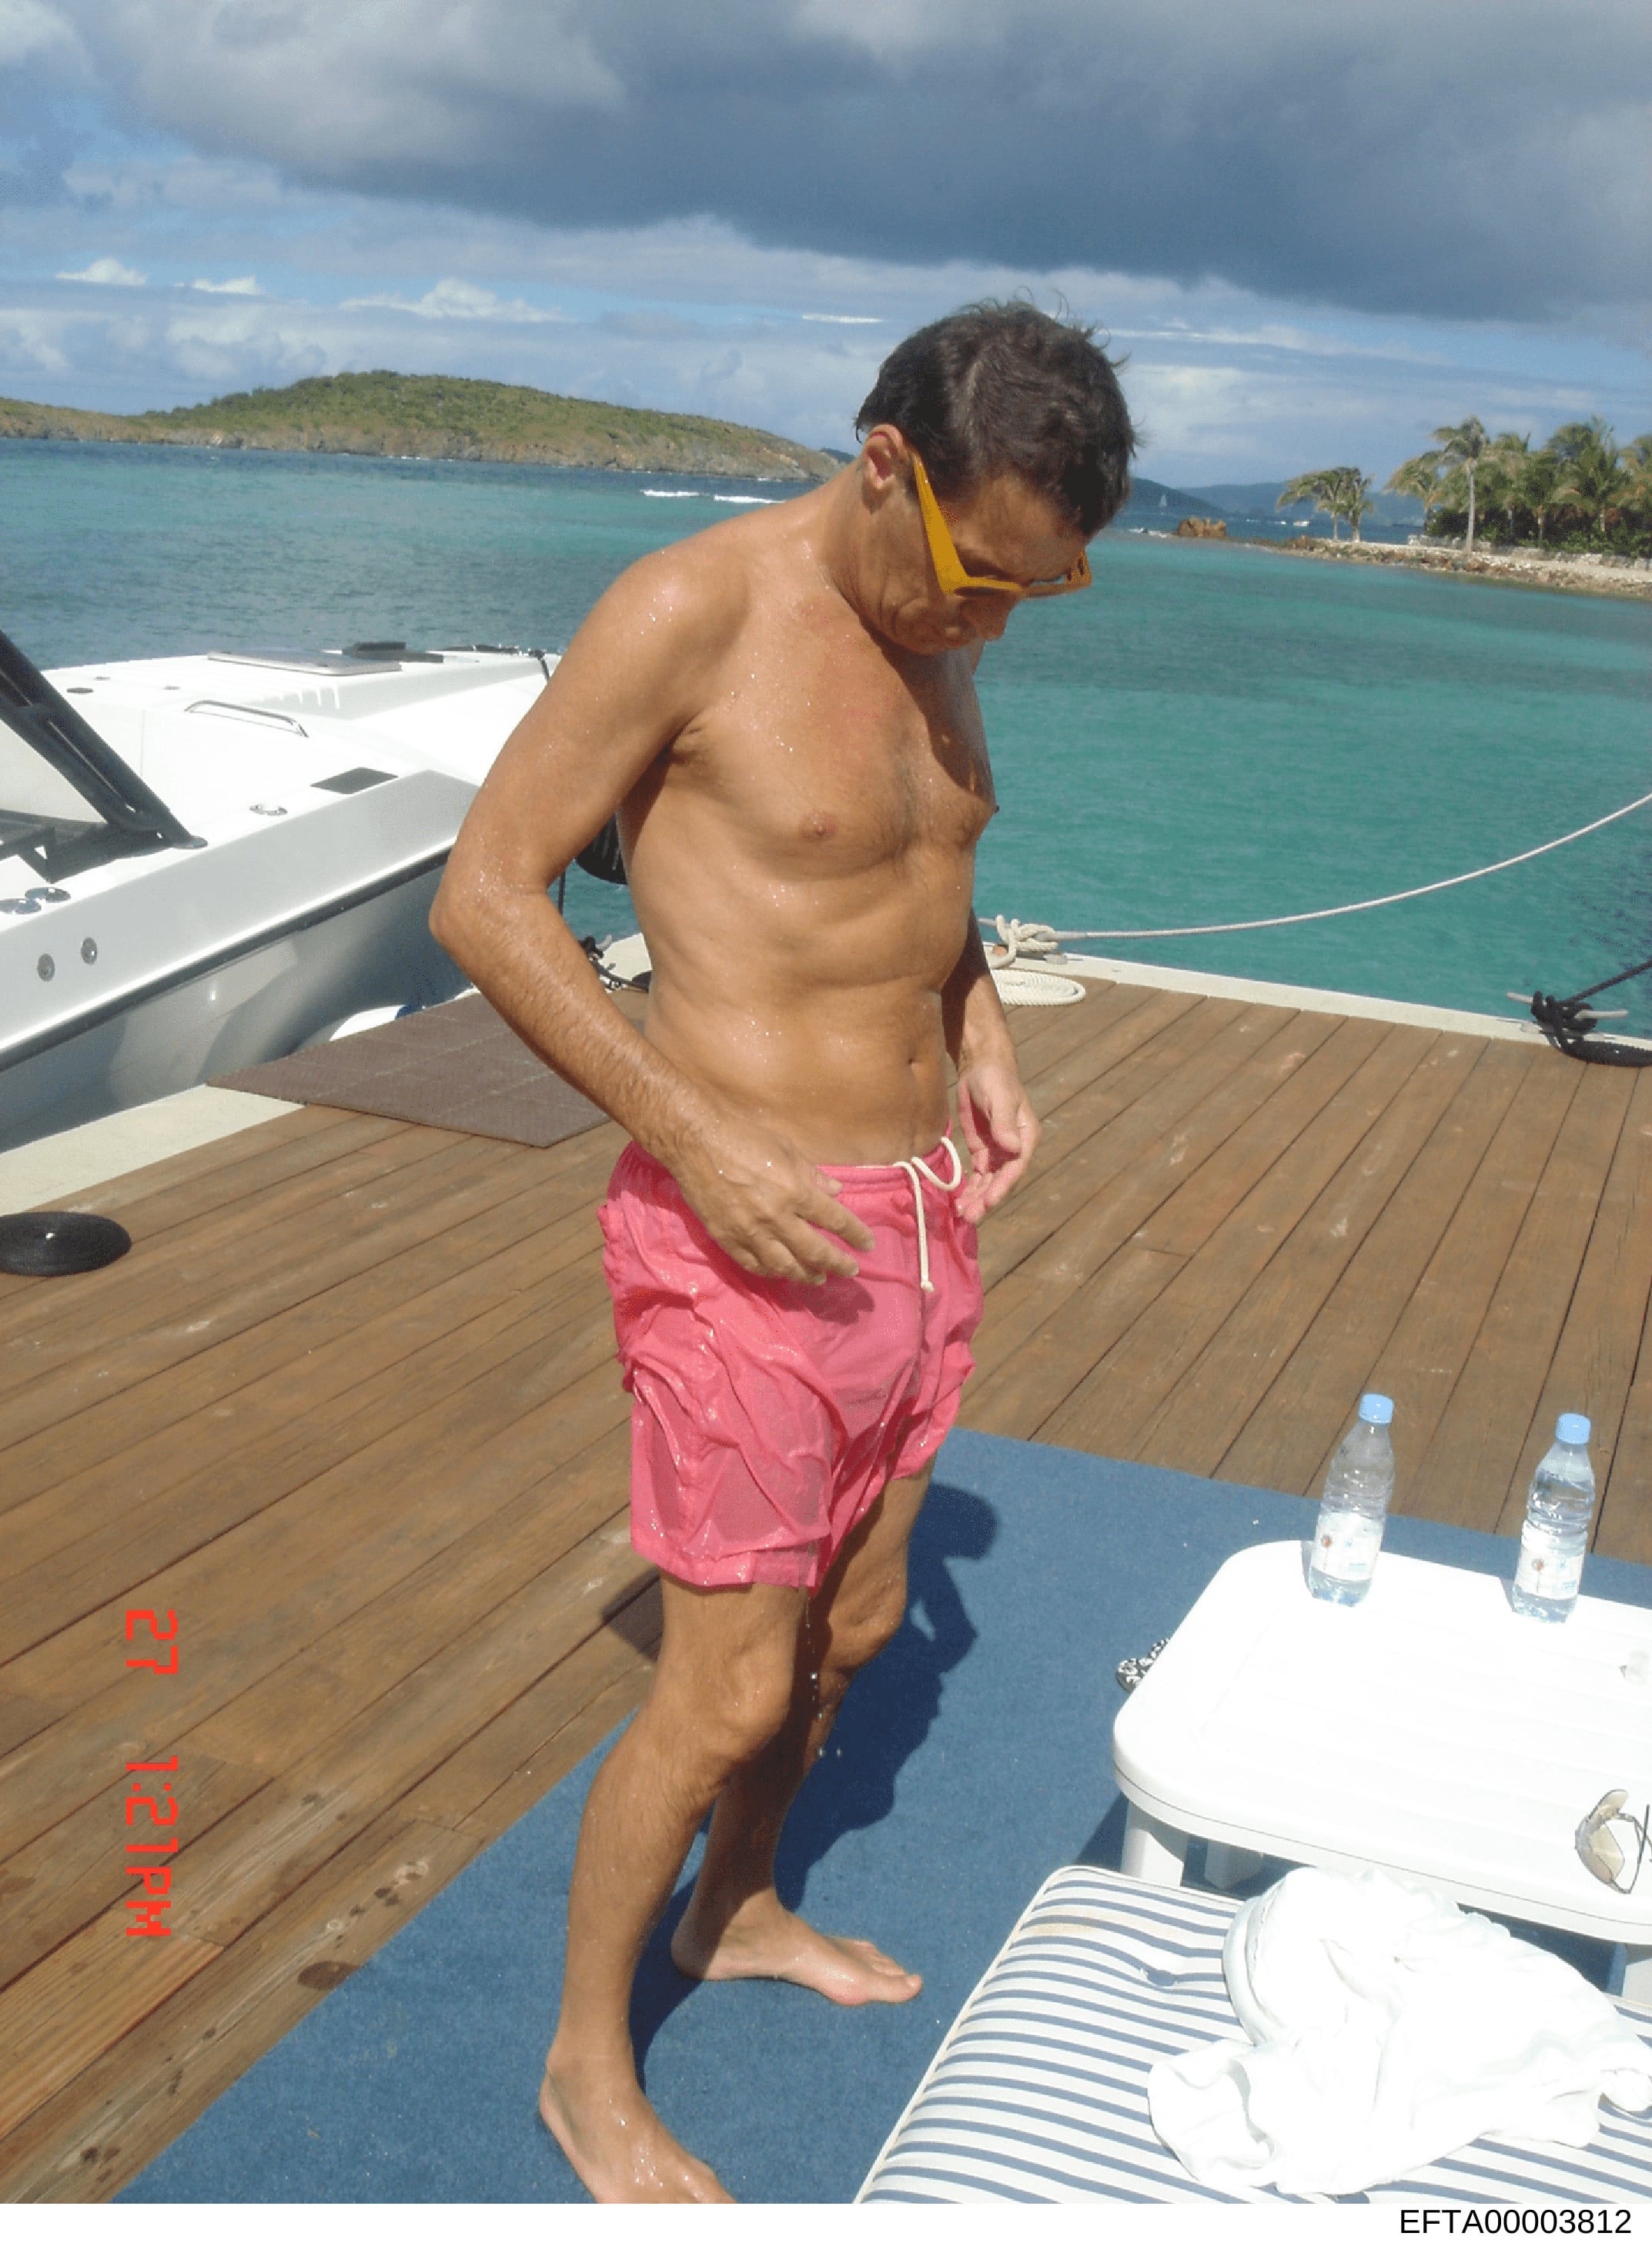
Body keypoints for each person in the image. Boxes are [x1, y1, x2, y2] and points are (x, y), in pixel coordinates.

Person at [430, 300, 1136, 2203]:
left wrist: (977, 1026)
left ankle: (729, 1906)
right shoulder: (690, 611)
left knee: (857, 1629)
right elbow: (483, 896)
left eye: (1033, 600)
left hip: (915, 1223)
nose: (988, 624)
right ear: (883, 462)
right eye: (979, 577)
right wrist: (689, 1131)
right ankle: (586, 2070)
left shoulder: (934, 622)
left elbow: (919, 881)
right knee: (729, 1686)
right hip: (738, 1230)